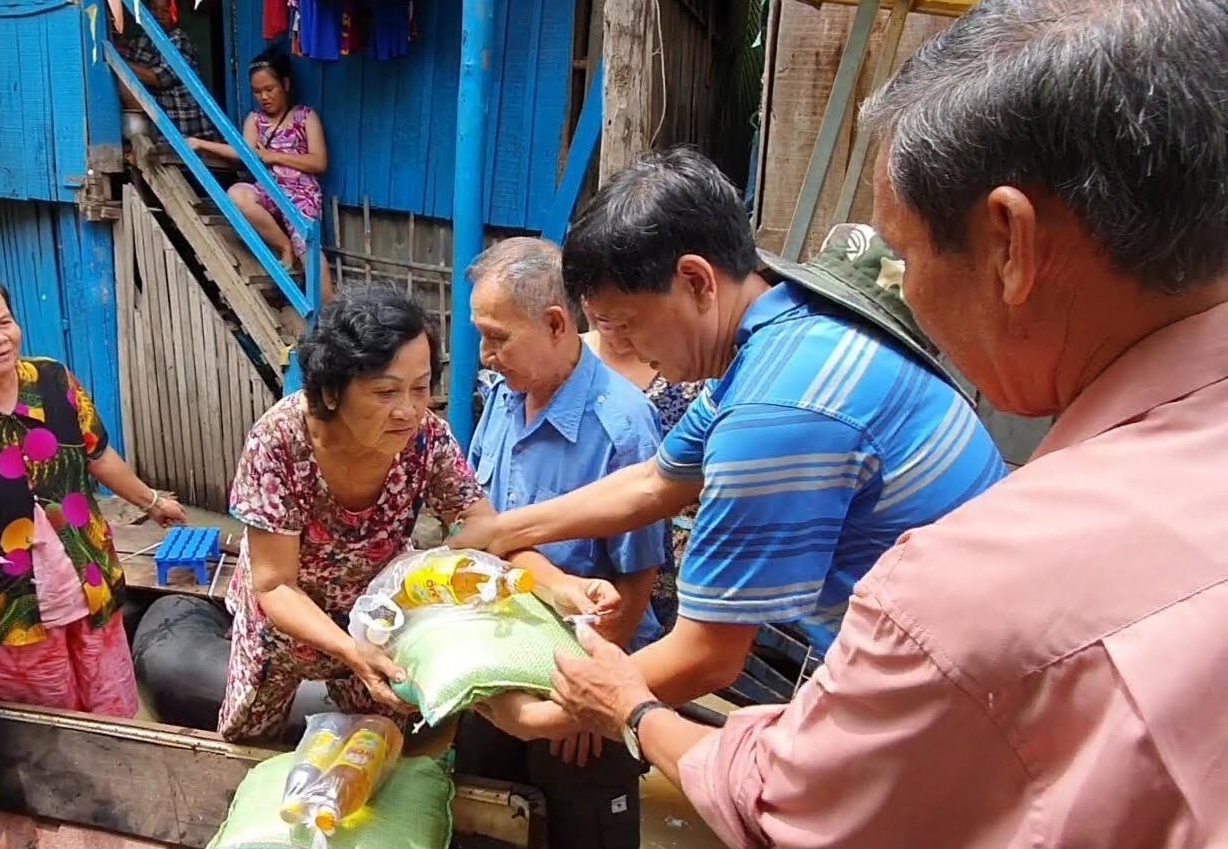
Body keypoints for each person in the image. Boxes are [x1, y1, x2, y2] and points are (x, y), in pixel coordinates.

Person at [547, 2, 1228, 847]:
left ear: (1009, 243)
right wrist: (504, 528)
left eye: (902, 257)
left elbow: (785, 796)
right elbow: (658, 479)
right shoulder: (781, 334)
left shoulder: (938, 583)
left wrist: (622, 705)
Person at [453, 147, 1009, 742]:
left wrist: (544, 718)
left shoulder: (770, 413)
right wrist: (502, 533)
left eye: (627, 323)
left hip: (966, 688)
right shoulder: (788, 324)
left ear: (696, 281)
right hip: (959, 640)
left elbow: (709, 656)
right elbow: (655, 482)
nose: (628, 350)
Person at [218, 285, 617, 743]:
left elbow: (486, 533)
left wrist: (562, 587)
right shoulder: (279, 443)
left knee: (385, 747)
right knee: (246, 739)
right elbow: (274, 584)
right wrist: (347, 651)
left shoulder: (426, 439)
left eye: (420, 387)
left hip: (378, 623)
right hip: (284, 627)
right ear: (331, 392)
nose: (407, 410)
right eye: (385, 391)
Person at [0, 270, 186, 718]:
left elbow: (98, 454)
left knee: (111, 706)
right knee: (47, 725)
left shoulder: (54, 381)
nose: (0, 337)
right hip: (4, 601)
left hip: (88, 577)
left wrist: (151, 501)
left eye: (4, 322)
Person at [455, 237, 669, 849]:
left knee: (585, 826)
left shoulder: (621, 427)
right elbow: (487, 530)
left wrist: (589, 698)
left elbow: (637, 578)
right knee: (487, 814)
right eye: (481, 336)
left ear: (555, 324)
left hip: (590, 664)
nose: (486, 356)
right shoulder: (501, 397)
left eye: (498, 337)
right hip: (502, 657)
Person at [580, 299, 701, 633]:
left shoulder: (690, 372)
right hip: (585, 547)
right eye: (593, 294)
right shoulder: (562, 366)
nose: (605, 314)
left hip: (675, 556)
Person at [187, 46, 333, 299]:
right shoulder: (255, 121)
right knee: (237, 194)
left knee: (307, 245)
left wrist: (272, 155)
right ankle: (283, 246)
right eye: (257, 91)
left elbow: (319, 162)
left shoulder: (305, 117)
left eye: (269, 89)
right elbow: (245, 153)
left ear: (285, 84)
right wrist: (201, 144)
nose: (263, 97)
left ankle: (330, 317)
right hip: (268, 189)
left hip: (301, 194)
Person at [116, 0, 219, 142]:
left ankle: (144, 140)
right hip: (162, 120)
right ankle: (141, 140)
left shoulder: (179, 40)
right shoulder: (143, 41)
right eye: (153, 9)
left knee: (124, 76)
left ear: (175, 14)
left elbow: (158, 78)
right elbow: (127, 53)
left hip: (184, 125)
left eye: (165, 11)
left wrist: (120, 63)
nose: (158, 15)